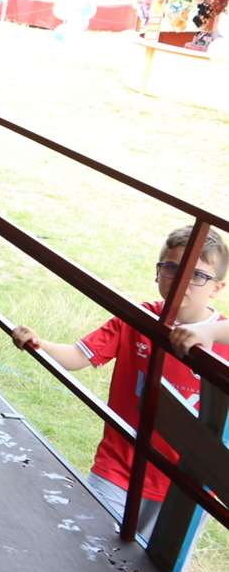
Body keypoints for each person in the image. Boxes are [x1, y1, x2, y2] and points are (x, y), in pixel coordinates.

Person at [12, 226, 229, 539]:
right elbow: (78, 355)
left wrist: (209, 334)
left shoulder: (221, 336)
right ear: (157, 273)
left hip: (187, 483)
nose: (181, 281)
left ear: (218, 287)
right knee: (87, 543)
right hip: (120, 465)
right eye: (171, 268)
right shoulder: (137, 318)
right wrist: (39, 344)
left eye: (197, 275)